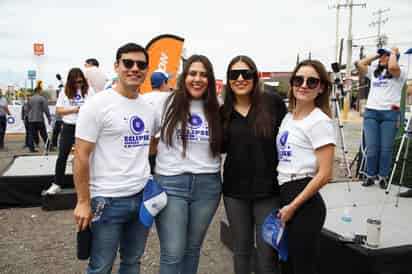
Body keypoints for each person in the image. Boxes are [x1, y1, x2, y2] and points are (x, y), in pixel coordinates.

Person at [73, 43, 157, 274]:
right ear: (116, 66)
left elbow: (152, 144)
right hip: (106, 200)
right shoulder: (97, 105)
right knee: (101, 266)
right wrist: (82, 201)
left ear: (147, 69)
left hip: (141, 198)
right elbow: (80, 155)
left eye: (140, 64)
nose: (134, 68)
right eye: (128, 63)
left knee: (132, 262)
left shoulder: (148, 108)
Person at [153, 55, 222, 274]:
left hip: (208, 186)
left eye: (203, 75)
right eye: (193, 73)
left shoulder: (217, 107)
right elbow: (144, 138)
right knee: (173, 253)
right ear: (184, 77)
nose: (197, 79)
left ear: (209, 80)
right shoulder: (164, 102)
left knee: (192, 250)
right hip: (171, 184)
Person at [221, 55, 286, 274]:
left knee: (268, 253)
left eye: (246, 74)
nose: (240, 78)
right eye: (234, 74)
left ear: (255, 76)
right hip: (234, 193)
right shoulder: (223, 112)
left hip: (268, 192)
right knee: (241, 251)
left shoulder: (272, 103)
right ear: (228, 80)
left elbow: (288, 140)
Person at [276, 60, 335, 274]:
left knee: (302, 267)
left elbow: (326, 174)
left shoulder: (319, 121)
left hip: (304, 201)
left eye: (312, 81)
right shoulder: (288, 117)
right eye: (298, 79)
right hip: (285, 193)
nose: (303, 85)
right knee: (287, 265)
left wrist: (293, 206)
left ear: (321, 88)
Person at [355, 47, 407, 189]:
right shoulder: (374, 72)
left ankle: (383, 177)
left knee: (386, 149)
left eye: (386, 56)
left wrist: (394, 53)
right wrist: (377, 55)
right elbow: (359, 64)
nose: (382, 58)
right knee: (372, 147)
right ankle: (370, 176)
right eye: (381, 56)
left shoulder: (400, 72)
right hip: (371, 113)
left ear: (394, 57)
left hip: (389, 114)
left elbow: (392, 66)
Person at [45, 68, 94, 195]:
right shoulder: (64, 91)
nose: (79, 84)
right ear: (71, 81)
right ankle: (57, 183)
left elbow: (95, 107)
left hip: (85, 127)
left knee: (86, 157)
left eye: (81, 81)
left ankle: (90, 183)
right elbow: (58, 110)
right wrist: (75, 109)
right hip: (68, 127)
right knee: (62, 156)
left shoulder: (89, 90)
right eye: (77, 82)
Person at [141, 69, 174, 174]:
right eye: (168, 81)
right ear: (164, 82)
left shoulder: (142, 98)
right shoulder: (170, 98)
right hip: (164, 149)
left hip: (143, 148)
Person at [27, 81, 51, 153]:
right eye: (41, 91)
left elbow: (27, 109)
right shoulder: (42, 98)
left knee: (31, 135)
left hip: (31, 119)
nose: (42, 92)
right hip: (39, 119)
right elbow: (46, 109)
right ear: (39, 91)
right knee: (43, 134)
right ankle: (48, 146)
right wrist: (49, 117)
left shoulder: (30, 99)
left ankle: (31, 148)